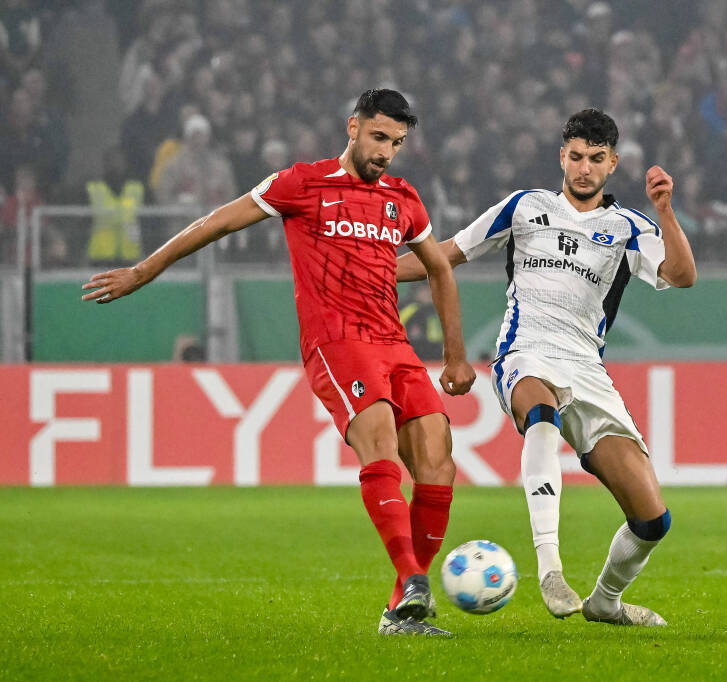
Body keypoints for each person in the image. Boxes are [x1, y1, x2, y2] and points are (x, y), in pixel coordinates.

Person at [83, 88, 476, 636]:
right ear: (353, 127)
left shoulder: (403, 198)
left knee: (439, 459)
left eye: (398, 143)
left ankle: (401, 606)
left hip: (394, 342)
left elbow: (439, 267)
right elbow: (217, 222)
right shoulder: (301, 183)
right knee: (381, 440)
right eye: (379, 137)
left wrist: (454, 356)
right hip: (338, 342)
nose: (386, 152)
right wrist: (144, 271)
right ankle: (413, 579)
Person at [397, 108, 697, 626]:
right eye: (576, 156)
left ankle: (605, 602)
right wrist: (367, 271)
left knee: (652, 520)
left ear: (612, 164)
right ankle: (550, 567)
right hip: (525, 352)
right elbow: (443, 254)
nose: (584, 168)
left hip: (587, 371)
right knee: (541, 414)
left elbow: (683, 275)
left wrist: (666, 211)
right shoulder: (524, 207)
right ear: (562, 156)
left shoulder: (628, 227)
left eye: (596, 159)